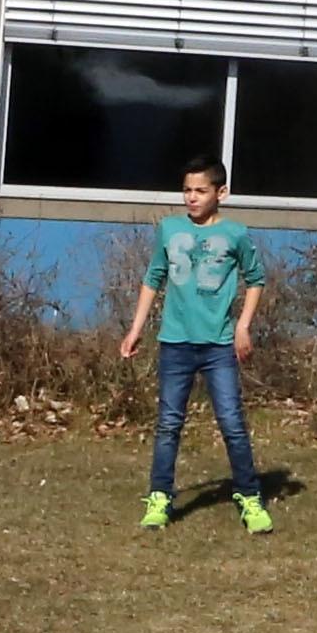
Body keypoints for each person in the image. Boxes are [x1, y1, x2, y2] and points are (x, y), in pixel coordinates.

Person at [115, 159, 277, 534]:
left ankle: (250, 497)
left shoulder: (236, 234)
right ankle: (159, 497)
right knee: (169, 424)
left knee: (232, 424)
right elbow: (153, 277)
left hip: (219, 345)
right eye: (187, 190)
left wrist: (244, 325)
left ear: (221, 193)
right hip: (175, 343)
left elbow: (256, 280)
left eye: (200, 190)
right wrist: (136, 328)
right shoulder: (169, 230)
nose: (191, 197)